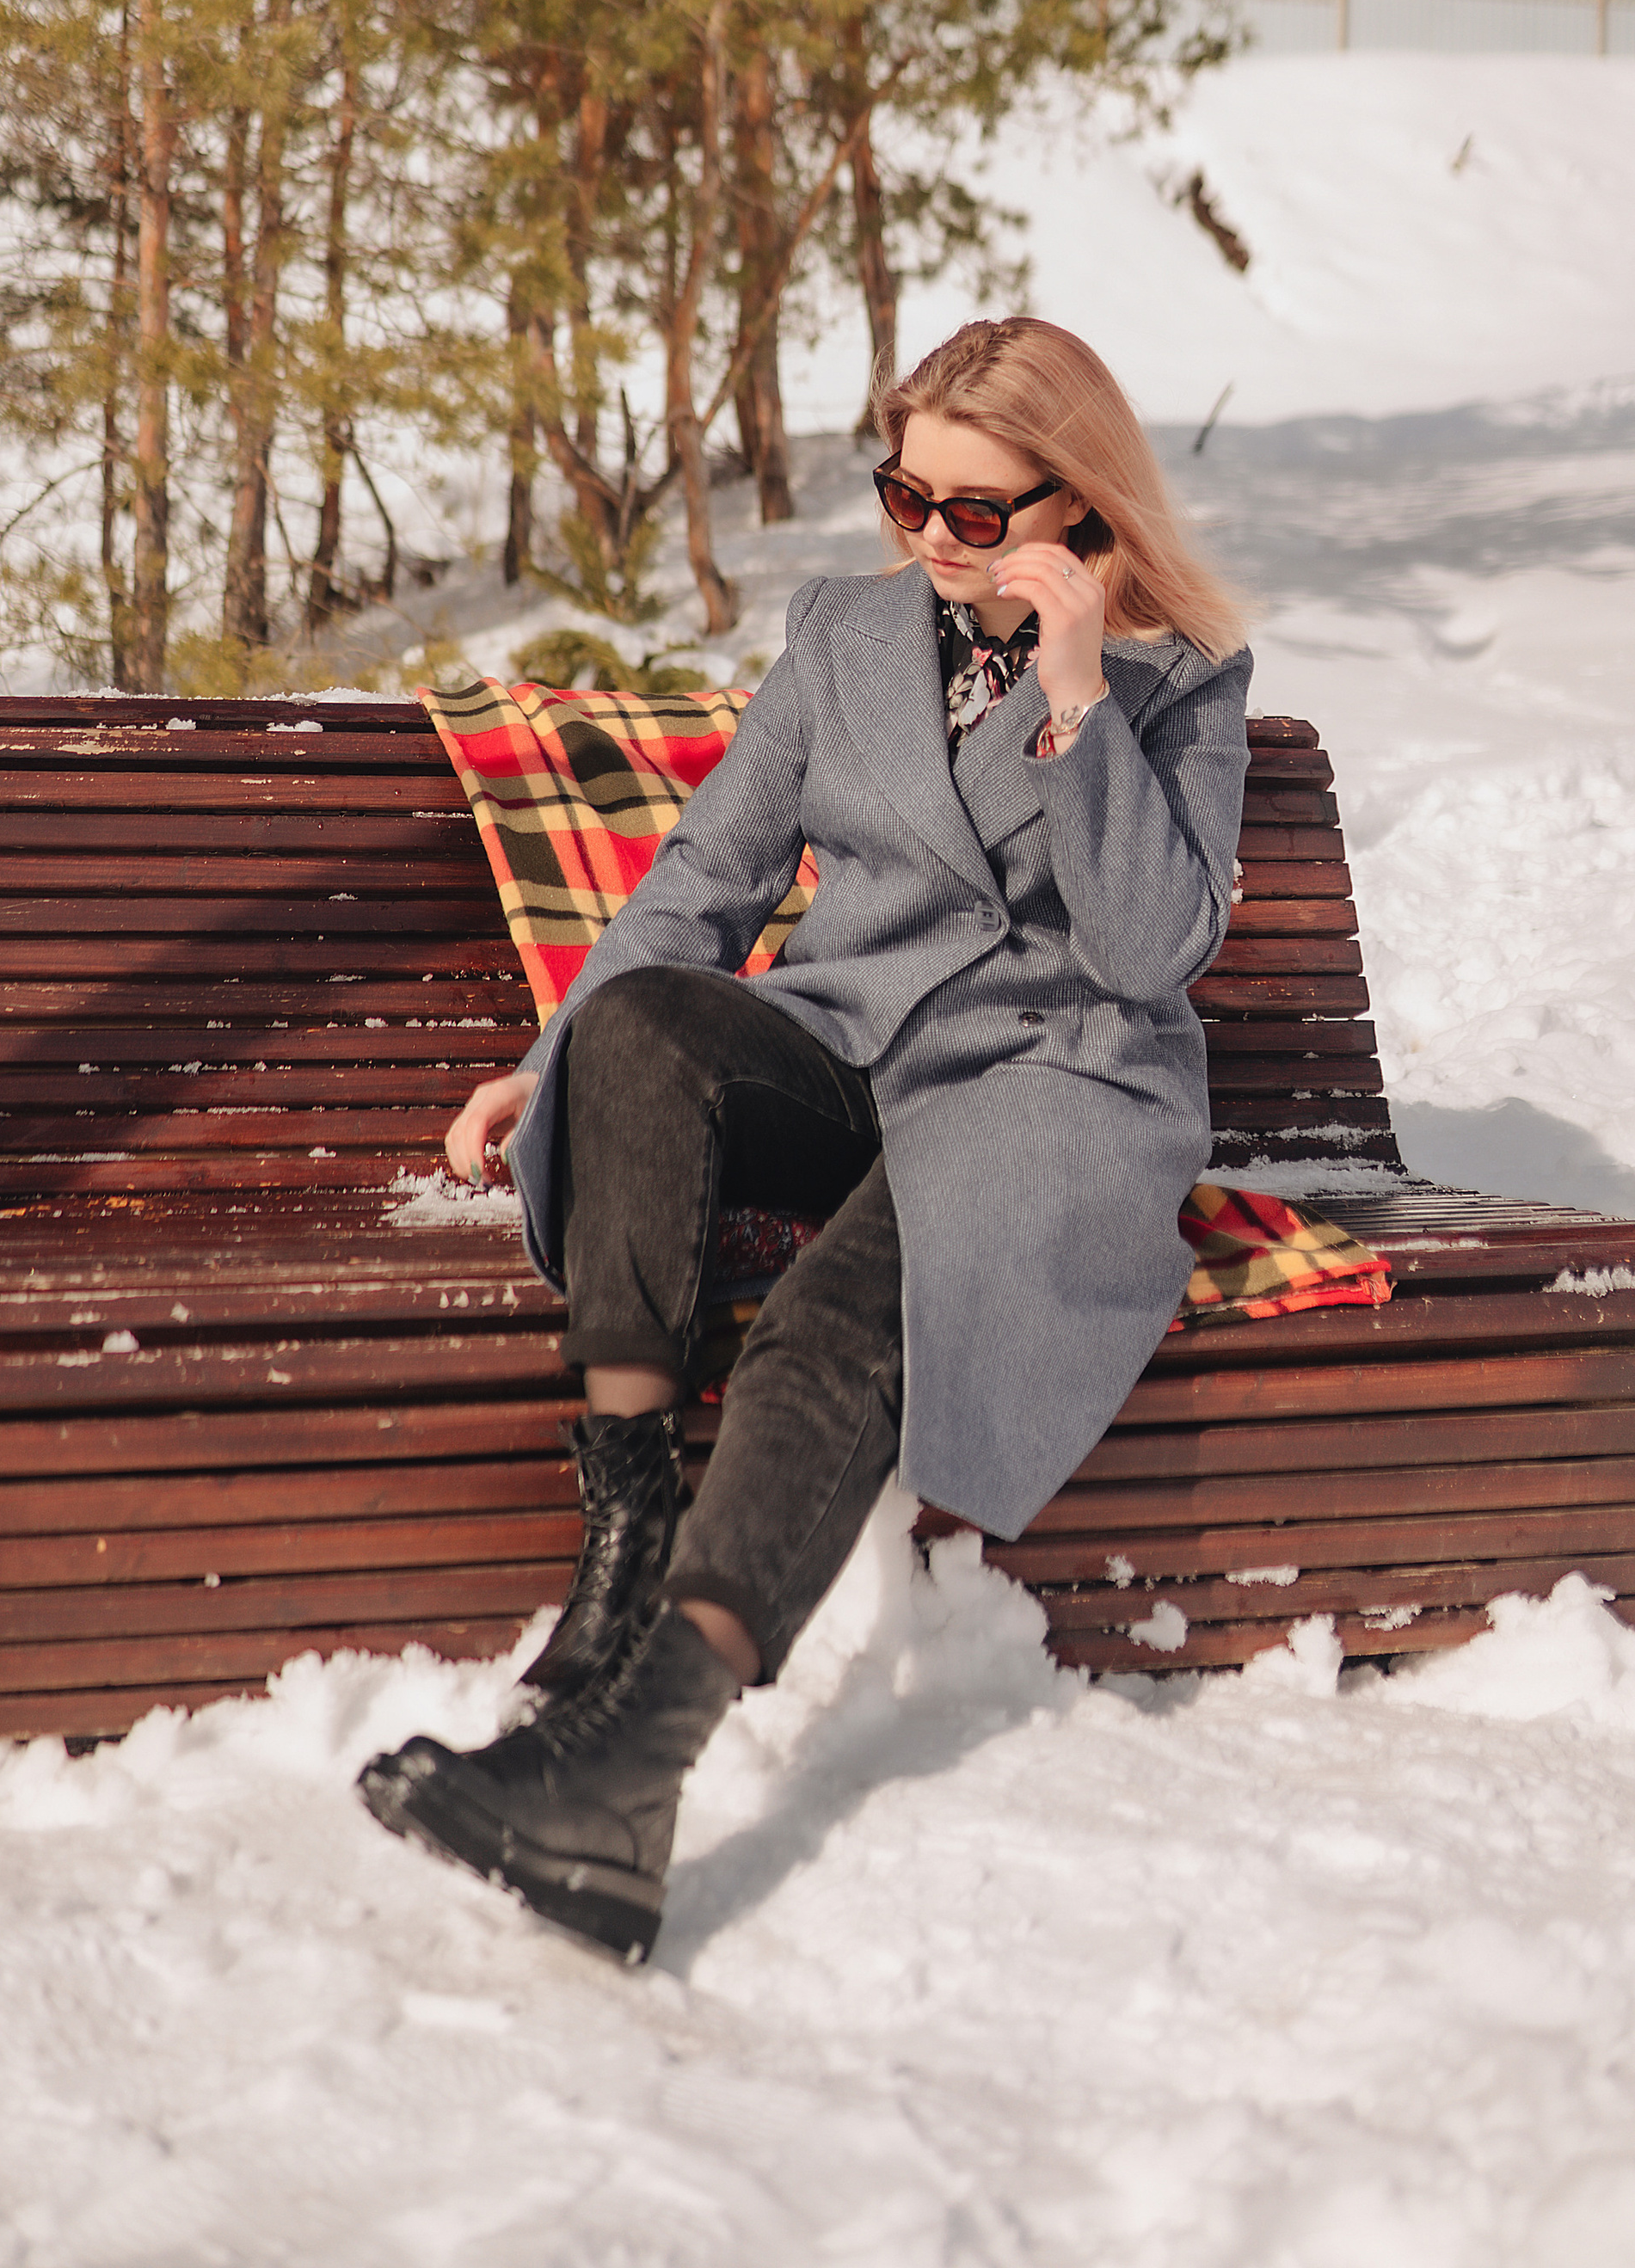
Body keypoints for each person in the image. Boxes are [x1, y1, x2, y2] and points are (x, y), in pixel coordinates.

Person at [359, 317, 1252, 1961]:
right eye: (906, 495)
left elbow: (1147, 951)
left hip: (1045, 1095)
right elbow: (705, 885)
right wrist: (551, 1062)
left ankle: (635, 1773)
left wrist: (1076, 704)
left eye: (977, 514)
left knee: (833, 1329)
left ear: (1079, 509)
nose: (929, 540)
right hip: (850, 1050)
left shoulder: (1176, 685)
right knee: (640, 1026)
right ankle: (626, 1542)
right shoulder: (844, 635)